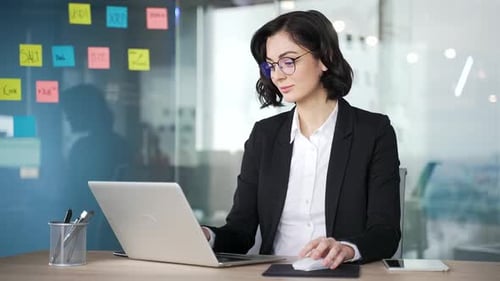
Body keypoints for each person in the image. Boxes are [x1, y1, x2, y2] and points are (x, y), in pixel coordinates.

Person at [202, 10, 401, 269]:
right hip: (273, 274)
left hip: (340, 273)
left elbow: (385, 233)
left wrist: (346, 249)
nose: (277, 75)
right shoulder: (264, 135)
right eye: (271, 65)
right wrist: (207, 236)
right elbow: (240, 232)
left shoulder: (373, 131)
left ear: (325, 58)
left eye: (288, 61)